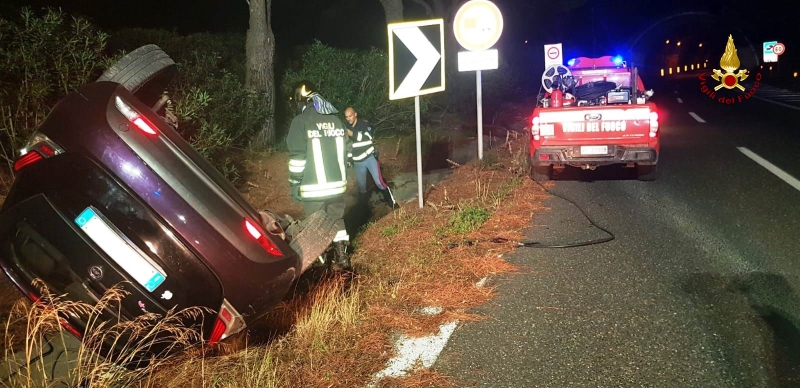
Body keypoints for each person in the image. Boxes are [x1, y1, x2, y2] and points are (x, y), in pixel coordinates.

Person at [286, 82, 352, 270]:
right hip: (337, 186)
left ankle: (321, 266)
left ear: (302, 101)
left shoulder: (300, 121)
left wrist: (294, 184)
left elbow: (298, 158)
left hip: (313, 188)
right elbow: (347, 150)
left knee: (315, 226)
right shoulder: (336, 120)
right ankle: (343, 259)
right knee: (337, 219)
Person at [344, 107, 399, 209]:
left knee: (379, 182)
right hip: (358, 162)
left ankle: (393, 204)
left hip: (369, 158)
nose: (348, 119)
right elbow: (348, 146)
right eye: (346, 117)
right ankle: (365, 212)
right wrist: (349, 159)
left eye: (350, 116)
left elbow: (368, 138)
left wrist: (352, 134)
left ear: (355, 114)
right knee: (361, 188)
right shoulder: (346, 127)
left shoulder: (364, 124)